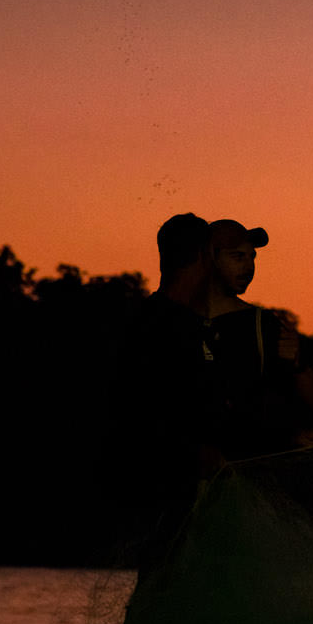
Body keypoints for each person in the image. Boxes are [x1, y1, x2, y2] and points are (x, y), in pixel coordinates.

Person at [115, 213, 220, 578]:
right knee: (163, 579)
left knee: (158, 584)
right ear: (202, 259)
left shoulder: (149, 317)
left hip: (158, 486)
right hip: (166, 489)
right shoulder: (174, 328)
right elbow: (166, 410)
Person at [201, 218, 313, 464]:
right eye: (238, 257)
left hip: (246, 472)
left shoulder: (263, 324)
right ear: (209, 260)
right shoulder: (173, 318)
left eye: (252, 257)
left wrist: (297, 365)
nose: (249, 267)